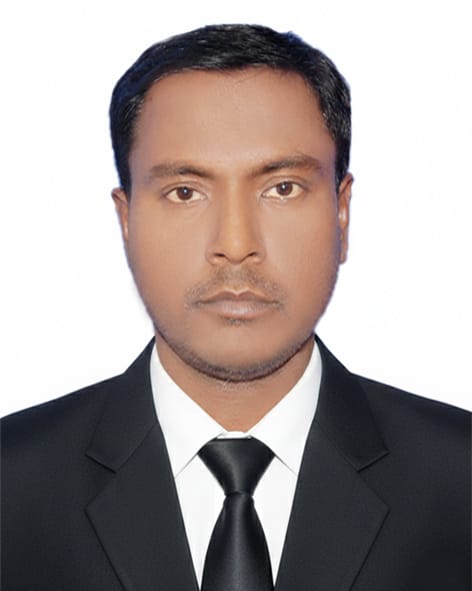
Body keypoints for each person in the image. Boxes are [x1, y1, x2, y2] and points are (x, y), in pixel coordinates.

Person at [1, 24, 469, 591]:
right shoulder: (11, 486)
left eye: (282, 188)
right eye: (185, 192)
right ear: (126, 221)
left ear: (342, 213)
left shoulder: (459, 481)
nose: (236, 242)